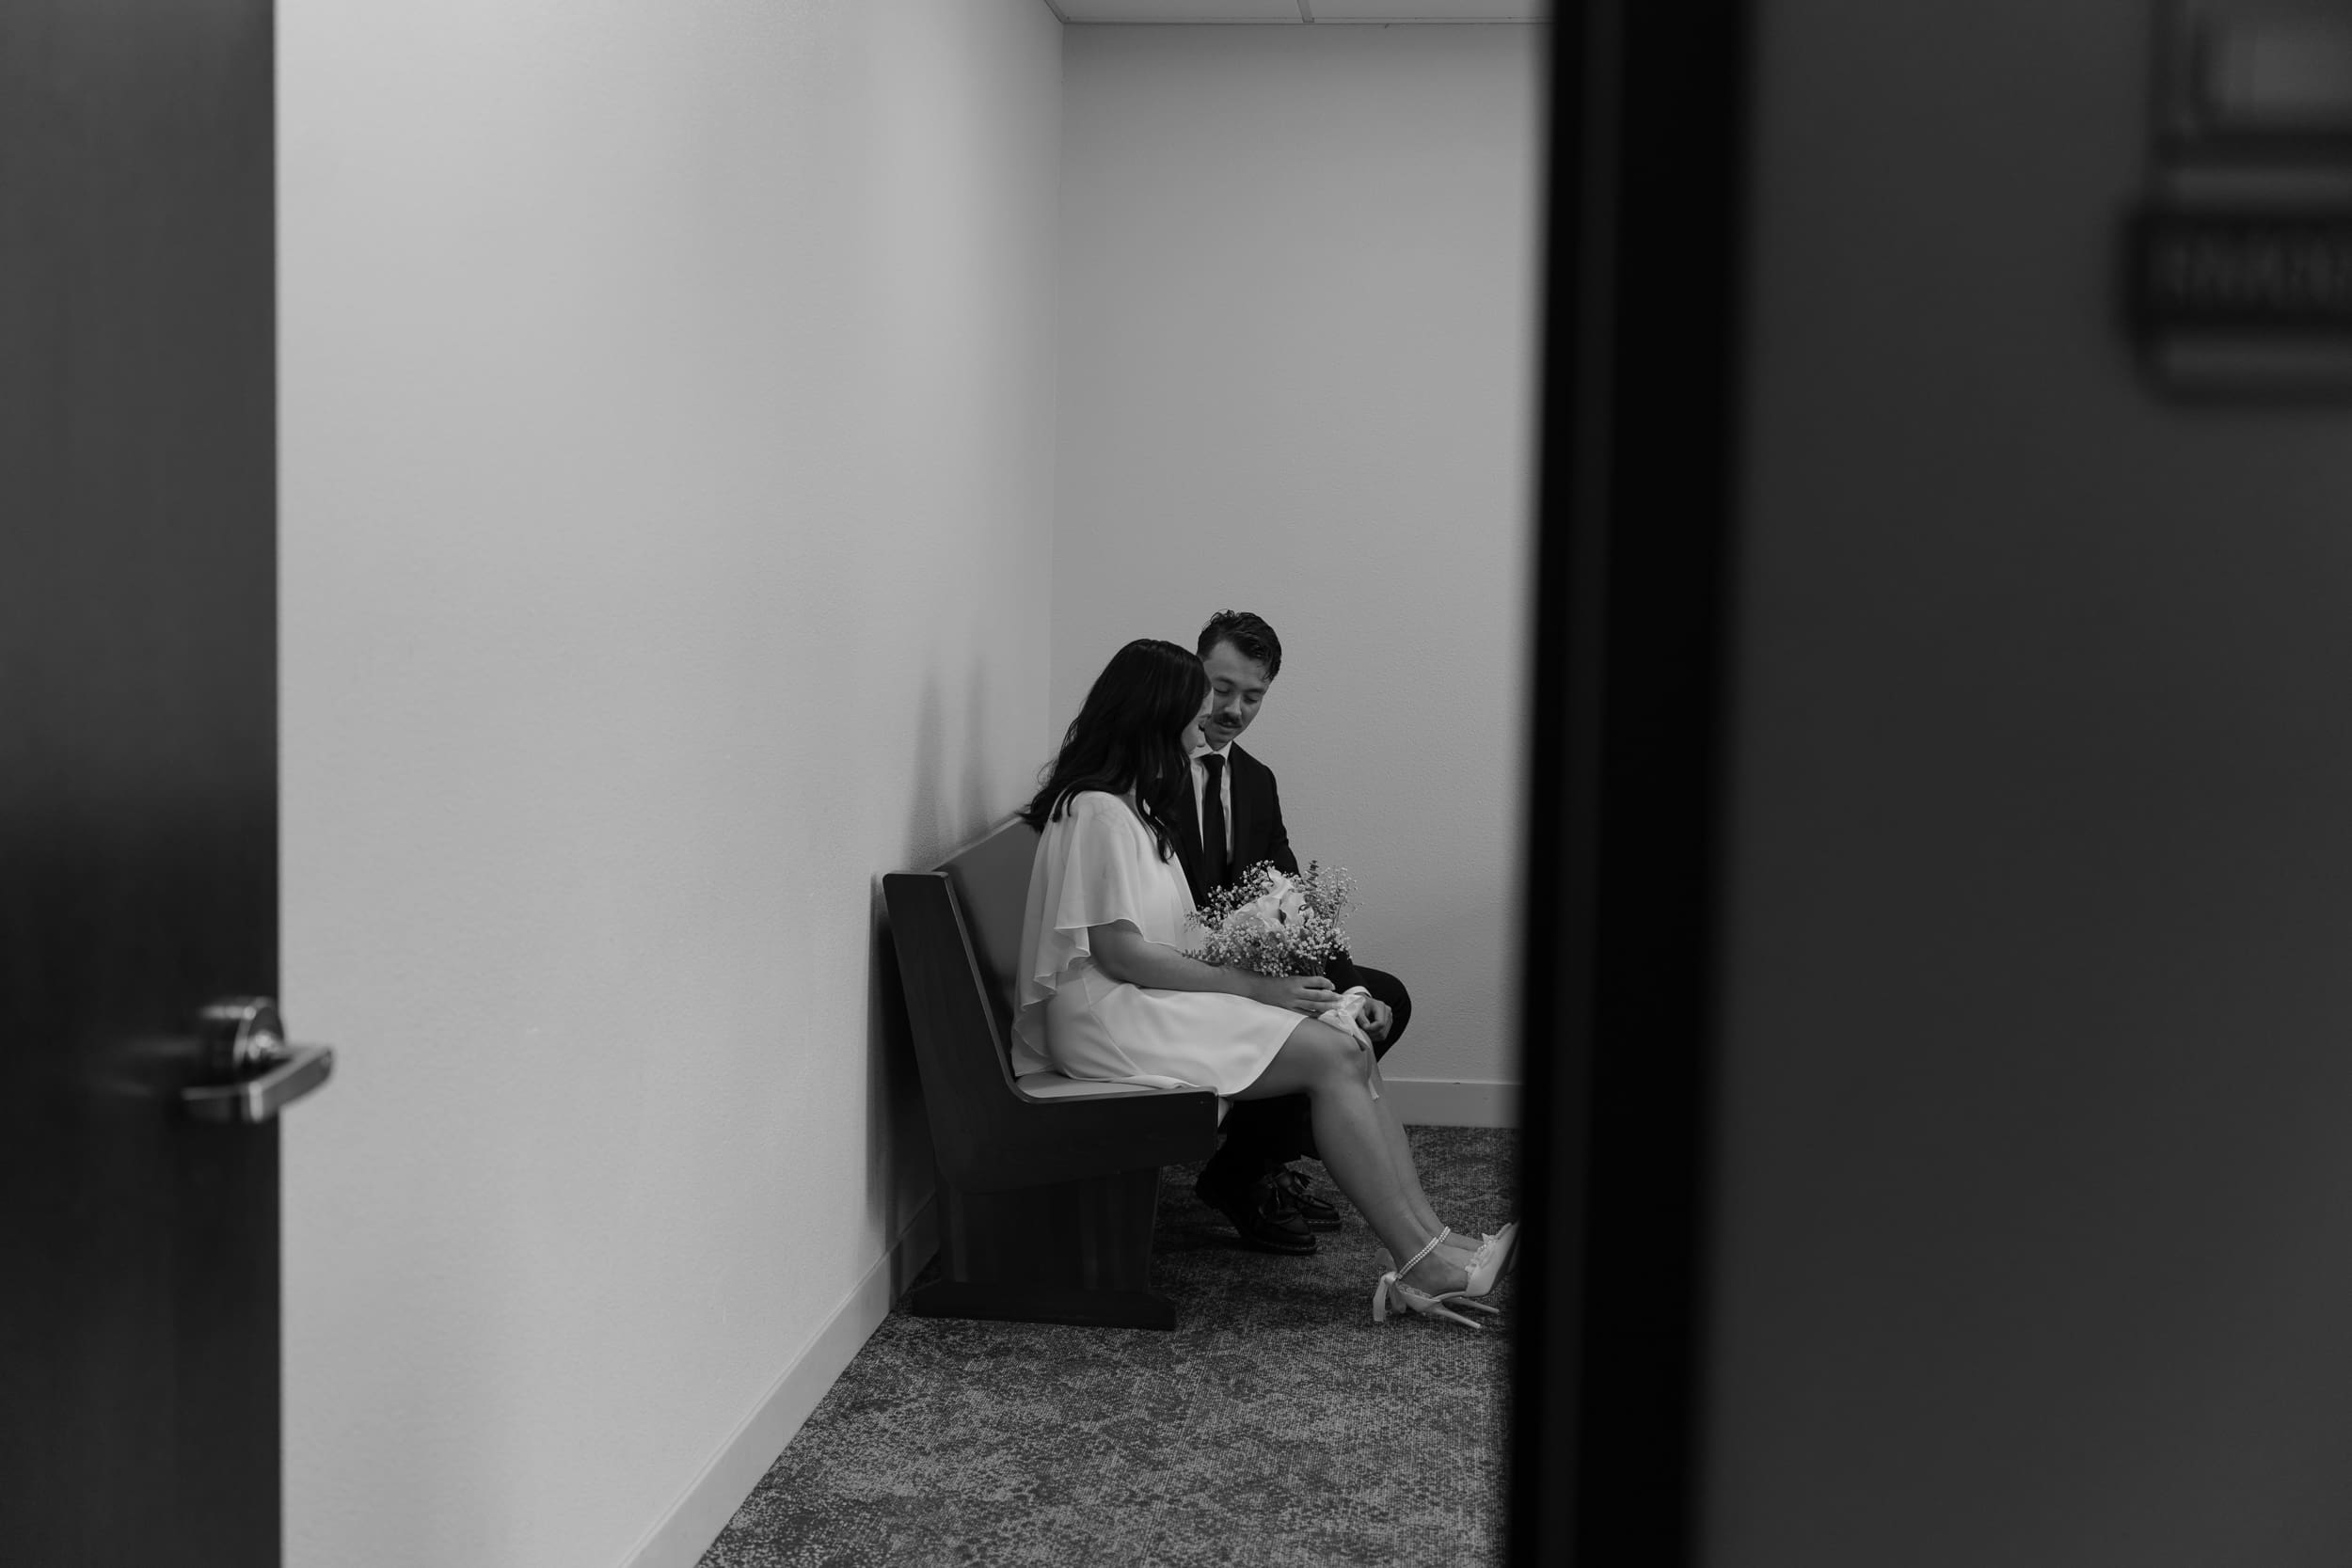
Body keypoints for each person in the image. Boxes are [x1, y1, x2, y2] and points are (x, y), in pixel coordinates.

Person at [1011, 637, 1513, 1325]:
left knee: (1345, 1036)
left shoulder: (1130, 807)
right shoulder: (1095, 810)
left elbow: (1184, 933)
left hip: (1138, 998)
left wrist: (1287, 980)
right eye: (1194, 712)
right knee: (1335, 1053)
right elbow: (1122, 954)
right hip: (1106, 1014)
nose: (1205, 725)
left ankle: (1434, 1235)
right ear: (1152, 718)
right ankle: (1422, 1261)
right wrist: (1251, 987)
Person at [1175, 610, 1415, 1254]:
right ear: (1194, 671)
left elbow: (1291, 899)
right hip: (1178, 975)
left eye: (1253, 696)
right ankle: (1246, 1173)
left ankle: (1248, 1166)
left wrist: (1352, 990)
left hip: (1246, 970)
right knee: (1320, 1025)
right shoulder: (1151, 769)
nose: (1234, 708)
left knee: (1381, 999)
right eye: (1222, 688)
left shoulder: (1256, 779)